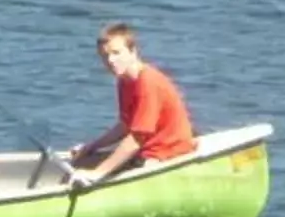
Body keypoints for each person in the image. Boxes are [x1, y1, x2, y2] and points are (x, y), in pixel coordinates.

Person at [68, 23, 197, 187]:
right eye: (105, 56)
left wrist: (97, 173)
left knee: (105, 171)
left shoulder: (148, 82)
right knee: (87, 160)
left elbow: (137, 138)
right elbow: (126, 125)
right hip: (147, 150)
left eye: (116, 53)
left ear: (133, 51)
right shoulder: (124, 81)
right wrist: (91, 146)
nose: (111, 60)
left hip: (168, 153)